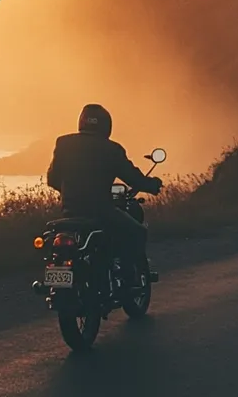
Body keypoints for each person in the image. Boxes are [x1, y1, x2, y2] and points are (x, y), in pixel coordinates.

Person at [46, 103, 162, 273]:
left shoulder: (63, 143)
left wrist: (70, 193)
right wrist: (152, 184)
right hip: (101, 211)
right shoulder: (111, 149)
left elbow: (52, 179)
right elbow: (132, 177)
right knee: (138, 233)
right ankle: (128, 281)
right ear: (106, 125)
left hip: (69, 212)